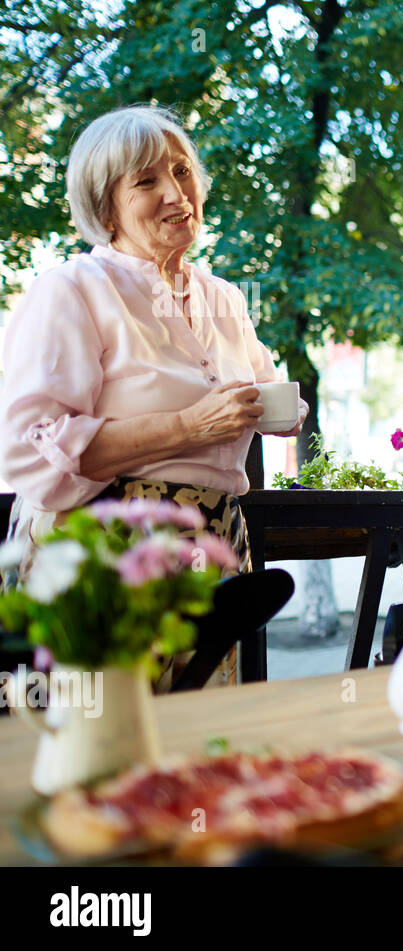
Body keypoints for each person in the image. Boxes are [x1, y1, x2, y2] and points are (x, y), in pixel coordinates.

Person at [0, 105, 306, 688]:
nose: (176, 193)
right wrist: (189, 426)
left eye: (182, 171)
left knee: (190, 751)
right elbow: (30, 454)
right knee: (99, 750)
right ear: (103, 206)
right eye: (146, 181)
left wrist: (280, 415)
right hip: (102, 555)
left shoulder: (223, 298)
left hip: (211, 550)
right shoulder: (72, 289)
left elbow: (261, 390)